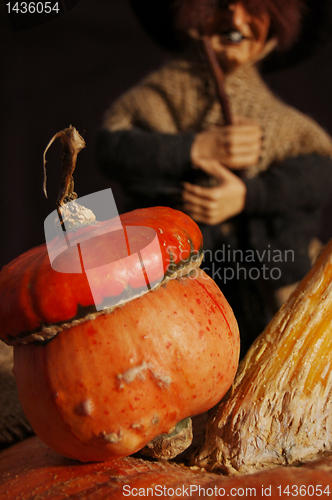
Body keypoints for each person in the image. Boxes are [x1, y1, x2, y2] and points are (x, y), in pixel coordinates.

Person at [96, 0, 332, 355]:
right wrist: (195, 149)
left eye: (255, 6)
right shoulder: (158, 99)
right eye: (221, 4)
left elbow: (316, 175)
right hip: (170, 291)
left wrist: (248, 195)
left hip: (261, 286)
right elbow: (115, 149)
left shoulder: (287, 127)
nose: (236, 18)